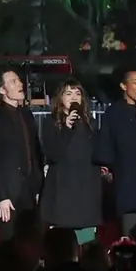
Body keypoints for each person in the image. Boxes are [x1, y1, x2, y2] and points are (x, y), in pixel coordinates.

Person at [0, 67, 45, 243]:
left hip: (29, 190)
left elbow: (35, 151)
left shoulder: (27, 115)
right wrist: (1, 196)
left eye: (19, 80)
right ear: (2, 90)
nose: (19, 84)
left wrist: (38, 183)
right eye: (13, 82)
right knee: (9, 243)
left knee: (30, 241)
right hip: (8, 194)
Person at [95, 68, 136, 233]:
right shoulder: (114, 113)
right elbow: (117, 143)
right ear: (123, 86)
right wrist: (107, 169)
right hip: (126, 178)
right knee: (129, 231)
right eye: (135, 83)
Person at [41, 80, 101, 243]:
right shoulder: (51, 123)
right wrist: (66, 128)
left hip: (86, 195)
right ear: (60, 99)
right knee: (62, 248)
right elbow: (53, 154)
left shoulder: (91, 124)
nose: (74, 97)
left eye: (78, 93)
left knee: (86, 244)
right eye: (68, 93)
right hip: (62, 195)